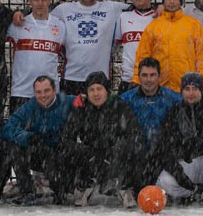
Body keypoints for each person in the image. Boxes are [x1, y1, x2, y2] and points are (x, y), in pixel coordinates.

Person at [59, 71, 145, 207]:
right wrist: (84, 151)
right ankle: (84, 186)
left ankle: (124, 188)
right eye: (91, 90)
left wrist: (118, 150)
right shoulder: (81, 109)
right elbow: (66, 138)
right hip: (90, 155)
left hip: (115, 156)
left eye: (99, 89)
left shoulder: (119, 106)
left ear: (107, 90)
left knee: (132, 150)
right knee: (68, 152)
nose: (96, 93)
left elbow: (135, 135)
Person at [155, 72, 203, 209]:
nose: (191, 93)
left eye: (195, 89)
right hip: (186, 164)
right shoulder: (174, 112)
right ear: (181, 91)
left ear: (201, 90)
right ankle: (192, 191)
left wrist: (202, 142)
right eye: (187, 89)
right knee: (163, 181)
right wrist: (180, 175)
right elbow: (165, 148)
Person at [1, 75, 75, 205]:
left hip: (62, 154)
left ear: (54, 90)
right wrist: (28, 137)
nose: (43, 95)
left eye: (46, 91)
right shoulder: (30, 106)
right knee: (13, 145)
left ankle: (64, 190)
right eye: (38, 92)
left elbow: (93, 100)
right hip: (39, 152)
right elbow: (8, 127)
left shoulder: (68, 101)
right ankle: (27, 191)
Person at [132, 0, 203, 93]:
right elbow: (142, 56)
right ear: (163, 1)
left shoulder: (193, 25)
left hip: (187, 88)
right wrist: (137, 80)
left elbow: (202, 57)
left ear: (181, 2)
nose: (172, 2)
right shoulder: (153, 26)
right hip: (159, 87)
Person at [120, 57, 182, 189]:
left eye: (153, 75)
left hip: (165, 155)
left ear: (159, 76)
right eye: (145, 75)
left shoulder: (174, 99)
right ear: (139, 77)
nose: (149, 79)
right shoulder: (126, 99)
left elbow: (193, 104)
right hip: (136, 156)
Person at [6, 0, 66, 113]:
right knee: (19, 132)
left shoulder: (60, 26)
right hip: (22, 93)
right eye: (36, 0)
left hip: (49, 95)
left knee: (49, 133)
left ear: (49, 1)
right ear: (30, 1)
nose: (40, 3)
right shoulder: (17, 24)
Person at [114, 0, 156, 94]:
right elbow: (115, 45)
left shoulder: (159, 16)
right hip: (129, 80)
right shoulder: (123, 16)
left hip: (153, 80)